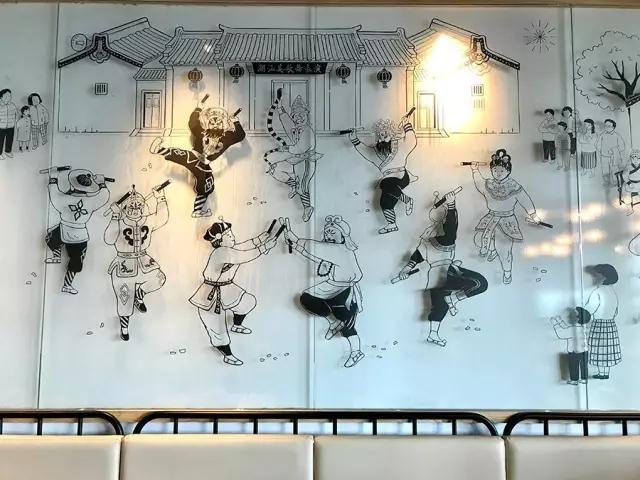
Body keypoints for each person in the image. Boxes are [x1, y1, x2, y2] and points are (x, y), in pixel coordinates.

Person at [395, 189, 488, 347]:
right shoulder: (426, 244)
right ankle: (433, 334)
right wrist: (405, 270)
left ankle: (452, 299)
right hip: (436, 279)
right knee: (439, 307)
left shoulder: (447, 239)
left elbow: (452, 228)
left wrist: (451, 206)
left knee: (479, 283)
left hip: (449, 274)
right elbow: (415, 259)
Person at [189, 218, 277, 366]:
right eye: (229, 235)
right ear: (219, 239)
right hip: (211, 294)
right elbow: (243, 255)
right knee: (217, 326)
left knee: (247, 301)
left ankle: (236, 324)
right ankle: (226, 353)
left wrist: (261, 238)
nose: (232, 237)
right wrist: (264, 247)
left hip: (227, 288)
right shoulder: (221, 252)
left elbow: (243, 247)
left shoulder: (229, 249)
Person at [283, 215, 365, 367]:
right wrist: (297, 246)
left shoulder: (339, 249)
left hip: (342, 290)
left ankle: (355, 350)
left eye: (332, 232)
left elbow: (315, 248)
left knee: (346, 322)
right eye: (327, 232)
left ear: (342, 234)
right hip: (334, 287)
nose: (328, 235)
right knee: (312, 300)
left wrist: (294, 238)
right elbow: (317, 257)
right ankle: (336, 325)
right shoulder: (341, 249)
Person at [150, 101, 245, 217]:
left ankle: (198, 211)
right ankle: (158, 149)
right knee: (181, 154)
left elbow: (240, 135)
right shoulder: (202, 132)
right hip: (194, 156)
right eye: (212, 123)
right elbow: (193, 123)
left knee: (207, 187)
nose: (215, 125)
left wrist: (235, 121)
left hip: (205, 165)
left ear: (223, 124)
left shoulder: (227, 137)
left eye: (218, 123)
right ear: (207, 124)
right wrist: (198, 109)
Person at [104, 184, 169, 341]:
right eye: (131, 207)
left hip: (144, 260)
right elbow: (109, 239)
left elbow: (162, 218)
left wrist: (160, 198)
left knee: (159, 278)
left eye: (138, 206)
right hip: (124, 264)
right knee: (124, 297)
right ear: (125, 208)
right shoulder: (119, 221)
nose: (135, 210)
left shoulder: (147, 220)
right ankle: (124, 328)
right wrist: (114, 217)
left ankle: (139, 296)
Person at [468, 149, 542, 285]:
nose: (498, 173)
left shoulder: (513, 186)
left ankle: (507, 272)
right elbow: (479, 184)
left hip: (507, 221)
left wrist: (533, 214)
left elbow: (525, 199)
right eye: (495, 170)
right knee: (483, 237)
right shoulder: (489, 183)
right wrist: (475, 170)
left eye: (501, 170)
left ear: (508, 171)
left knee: (505, 250)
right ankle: (492, 250)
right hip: (491, 217)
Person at [45, 168, 111, 294]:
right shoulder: (92, 200)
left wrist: (54, 176)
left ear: (72, 183)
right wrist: (101, 182)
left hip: (64, 228)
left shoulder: (63, 198)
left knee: (50, 238)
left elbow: (53, 192)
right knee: (76, 261)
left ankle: (56, 255)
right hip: (80, 235)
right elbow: (105, 196)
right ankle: (67, 285)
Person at [348, 114, 417, 234]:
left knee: (385, 183)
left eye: (385, 133)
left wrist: (406, 124)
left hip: (401, 176)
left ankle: (407, 200)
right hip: (389, 182)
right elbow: (364, 151)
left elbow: (412, 141)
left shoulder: (400, 145)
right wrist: (354, 139)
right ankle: (392, 224)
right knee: (384, 202)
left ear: (391, 133)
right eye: (380, 134)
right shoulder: (376, 151)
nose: (382, 135)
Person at [264, 89, 322, 222]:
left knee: (303, 185)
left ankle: (307, 207)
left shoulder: (307, 130)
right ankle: (294, 185)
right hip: (295, 159)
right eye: (296, 116)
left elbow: (299, 148)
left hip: (306, 160)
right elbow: (286, 122)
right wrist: (279, 108)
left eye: (301, 115)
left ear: (306, 115)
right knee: (275, 169)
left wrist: (285, 149)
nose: (298, 118)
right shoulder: (295, 128)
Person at [577, 264, 621, 380]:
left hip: (600, 324)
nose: (595, 278)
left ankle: (602, 373)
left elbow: (589, 309)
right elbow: (616, 311)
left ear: (604, 277)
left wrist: (581, 312)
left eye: (597, 276)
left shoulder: (598, 291)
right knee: (607, 350)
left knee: (600, 350)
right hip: (610, 325)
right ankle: (605, 373)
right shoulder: (612, 291)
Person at [550, 314, 588, 385]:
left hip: (575, 351)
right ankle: (584, 379)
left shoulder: (573, 328)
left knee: (574, 366)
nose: (568, 318)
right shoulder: (581, 327)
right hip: (584, 350)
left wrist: (555, 323)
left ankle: (574, 380)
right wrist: (560, 321)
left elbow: (562, 333)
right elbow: (566, 328)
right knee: (583, 366)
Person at [597, 119, 625, 186]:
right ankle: (607, 182)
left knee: (614, 170)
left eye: (609, 126)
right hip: (604, 156)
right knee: (605, 170)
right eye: (606, 126)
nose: (607, 127)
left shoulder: (617, 135)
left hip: (614, 157)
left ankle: (616, 182)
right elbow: (597, 144)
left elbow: (622, 146)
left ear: (613, 127)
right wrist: (601, 150)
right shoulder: (602, 135)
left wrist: (613, 150)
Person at [0, 88, 17, 159]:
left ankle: (8, 151)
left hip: (11, 126)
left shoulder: (12, 105)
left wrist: (16, 121)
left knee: (10, 140)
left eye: (10, 96)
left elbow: (16, 114)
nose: (9, 97)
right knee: (0, 140)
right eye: (6, 96)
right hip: (1, 127)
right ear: (1, 97)